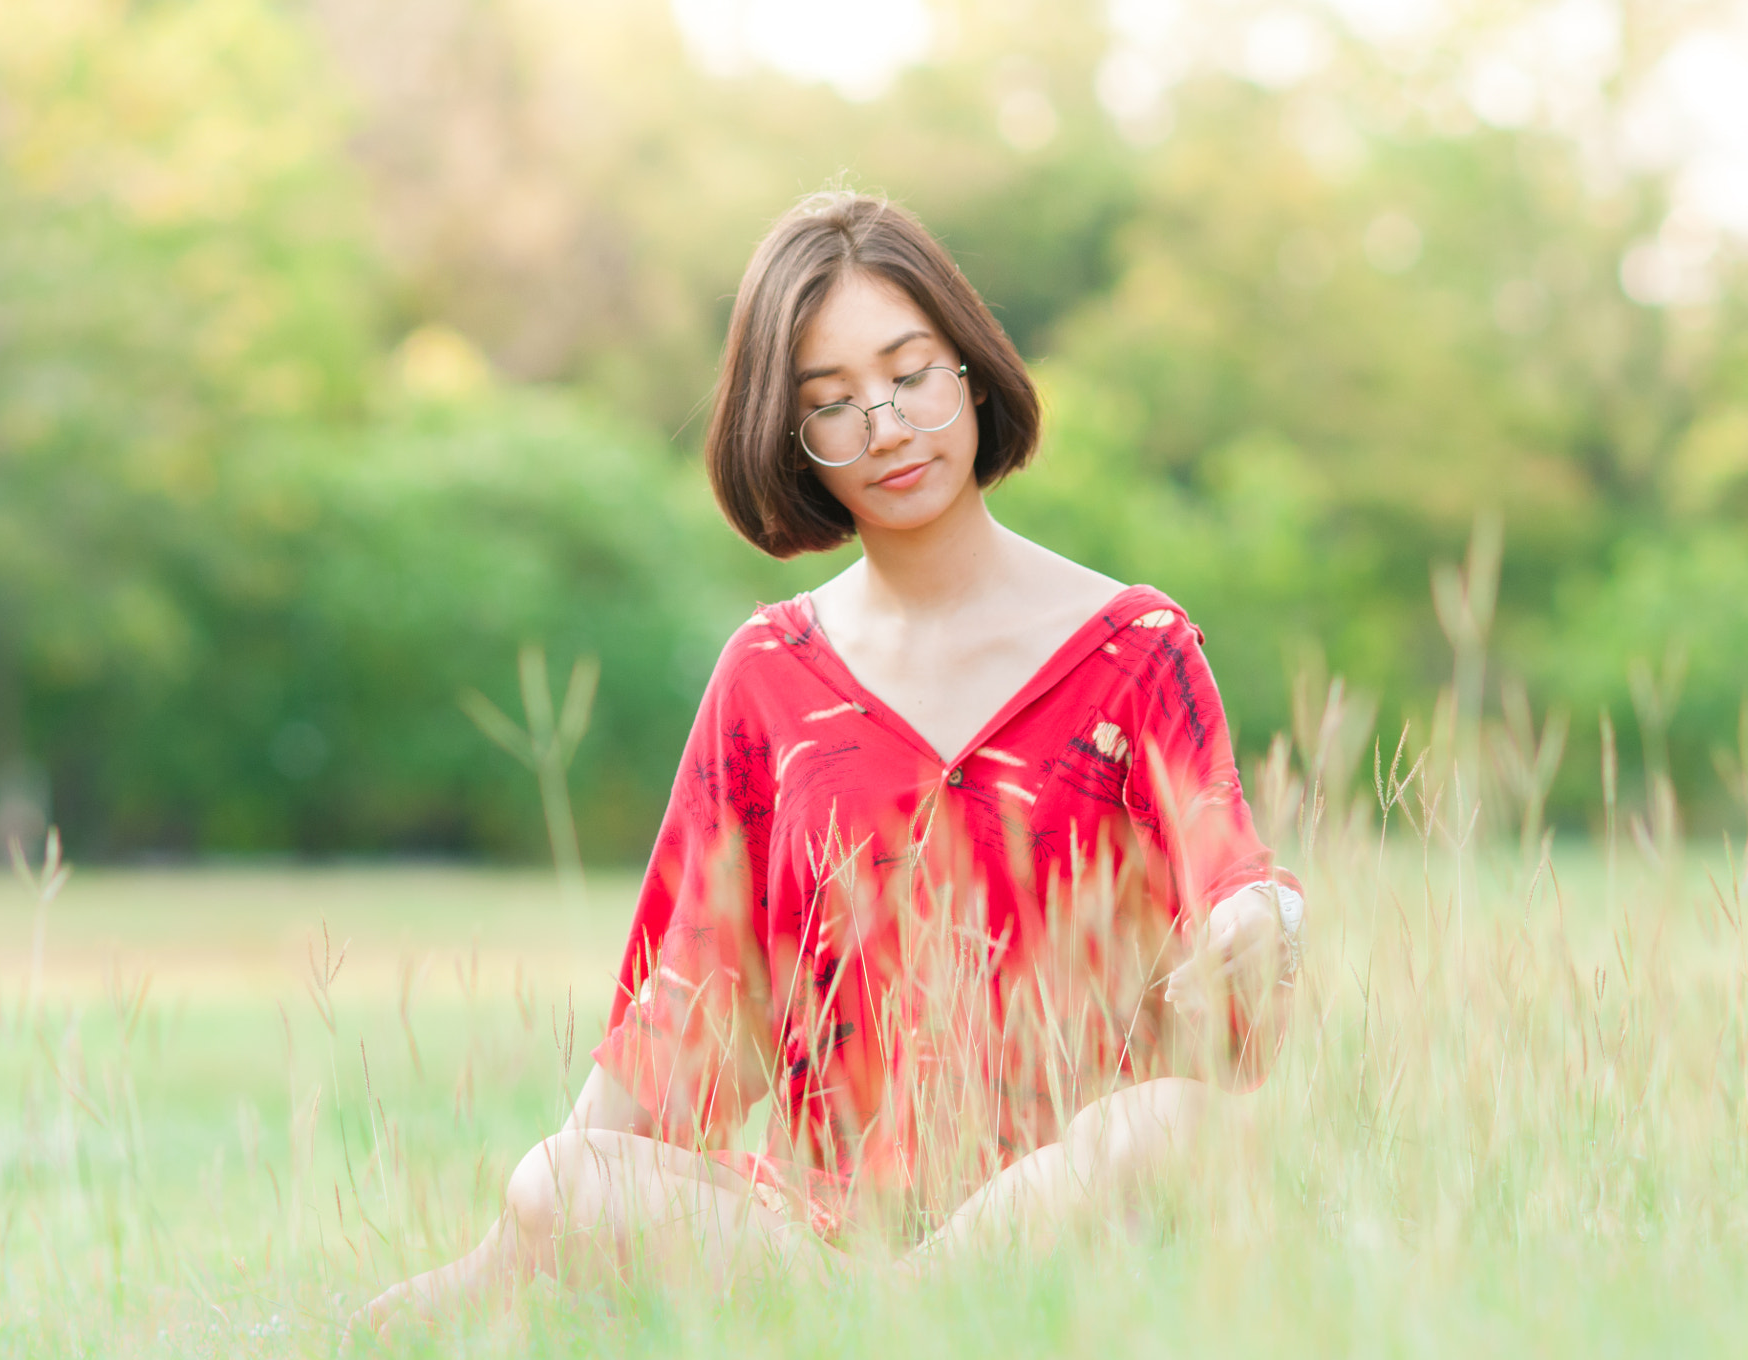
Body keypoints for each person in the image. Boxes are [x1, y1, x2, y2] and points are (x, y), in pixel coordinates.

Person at [355, 191, 1304, 1332]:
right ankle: (896, 1314)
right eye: (832, 405)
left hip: (1061, 1193)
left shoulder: (1134, 649)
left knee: (1175, 1125)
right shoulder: (768, 671)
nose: (887, 426)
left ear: (970, 368)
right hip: (815, 1222)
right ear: (790, 440)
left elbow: (1230, 886)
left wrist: (1260, 924)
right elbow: (692, 994)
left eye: (909, 373)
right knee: (565, 1177)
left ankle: (869, 1322)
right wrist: (518, 1232)